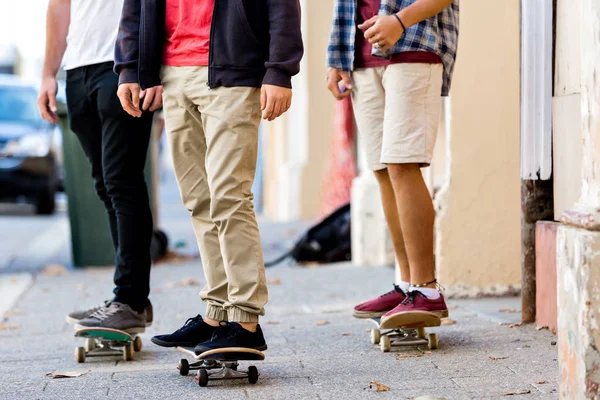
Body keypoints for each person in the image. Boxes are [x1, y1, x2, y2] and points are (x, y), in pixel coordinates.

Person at [114, 0, 303, 353]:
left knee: (230, 196)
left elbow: (281, 5)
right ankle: (217, 313)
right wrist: (131, 68)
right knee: (199, 200)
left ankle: (246, 320)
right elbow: (135, 8)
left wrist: (279, 69)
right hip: (173, 72)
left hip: (232, 71)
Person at [326, 0, 459, 325]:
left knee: (403, 164)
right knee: (384, 171)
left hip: (414, 46)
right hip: (361, 59)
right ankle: (406, 284)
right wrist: (337, 57)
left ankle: (426, 289)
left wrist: (400, 21)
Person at [38, 0, 158, 333]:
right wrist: (49, 73)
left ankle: (129, 299)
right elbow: (60, 7)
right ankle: (132, 300)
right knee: (106, 186)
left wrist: (150, 66)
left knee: (123, 183)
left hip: (123, 64)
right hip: (79, 70)